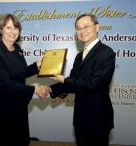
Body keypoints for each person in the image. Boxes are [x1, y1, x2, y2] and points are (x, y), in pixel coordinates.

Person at [49, 13, 116, 146]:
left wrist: (64, 80)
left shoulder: (106, 53)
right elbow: (73, 80)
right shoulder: (80, 56)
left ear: (97, 27)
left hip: (98, 118)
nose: (82, 31)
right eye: (78, 28)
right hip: (80, 117)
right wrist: (50, 89)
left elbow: (94, 84)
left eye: (86, 27)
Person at [0, 13, 48, 146]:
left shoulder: (17, 49)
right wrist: (36, 89)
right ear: (0, 30)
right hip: (2, 109)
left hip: (18, 104)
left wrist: (37, 65)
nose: (13, 31)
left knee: (20, 141)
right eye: (8, 27)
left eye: (16, 27)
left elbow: (21, 72)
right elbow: (6, 84)